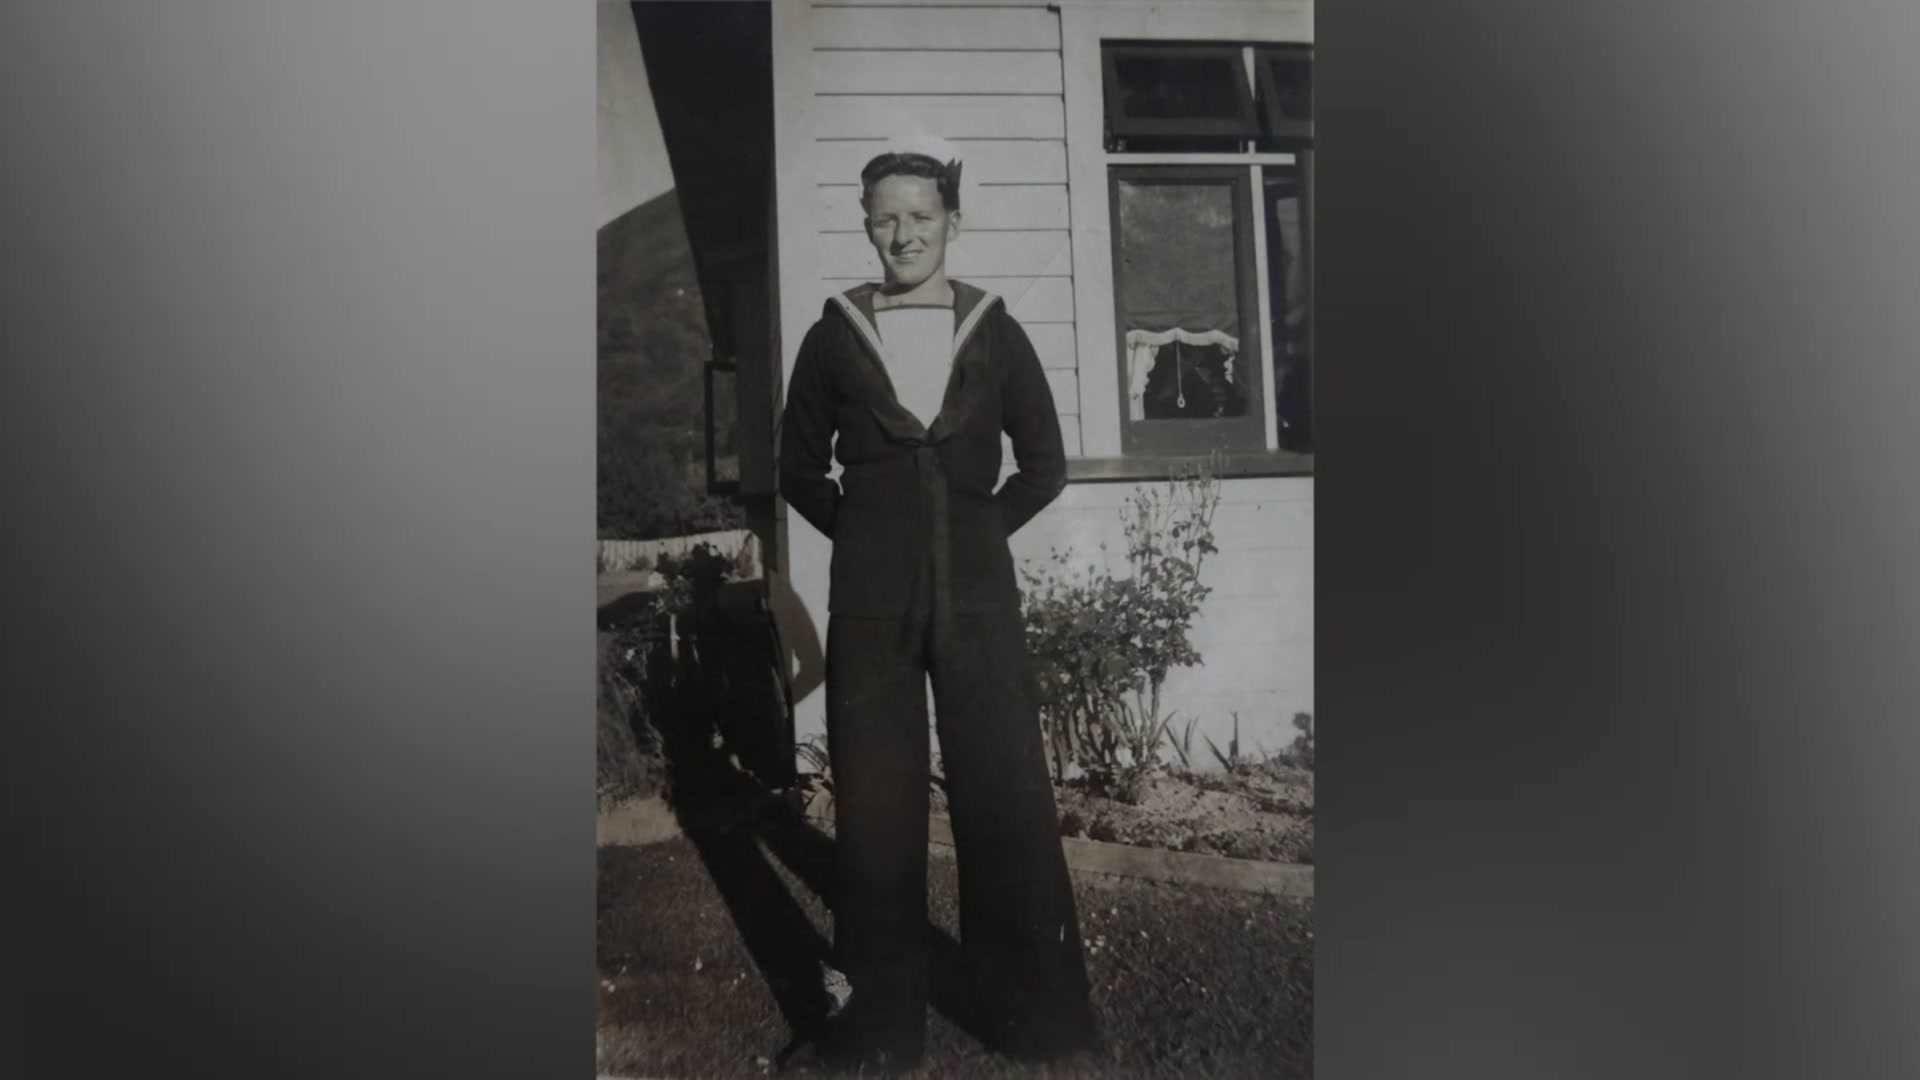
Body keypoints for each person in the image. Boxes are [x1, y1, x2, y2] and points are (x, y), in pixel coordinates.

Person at [778, 150, 1100, 1072]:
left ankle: (1043, 1026)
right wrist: (871, 536)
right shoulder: (835, 333)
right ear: (866, 224)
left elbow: (1044, 466)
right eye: (885, 217)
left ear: (951, 220)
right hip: (872, 604)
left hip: (979, 599)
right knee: (876, 806)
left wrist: (974, 535)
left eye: (921, 214)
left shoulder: (994, 330)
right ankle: (878, 1038)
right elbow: (798, 468)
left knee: (1004, 795)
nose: (904, 233)